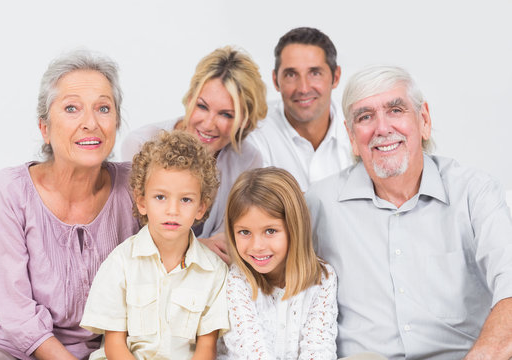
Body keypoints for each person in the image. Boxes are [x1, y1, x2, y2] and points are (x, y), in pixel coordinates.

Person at [306, 65, 512, 359]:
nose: (382, 128)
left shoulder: (474, 193)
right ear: (352, 137)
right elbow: (262, 252)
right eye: (365, 117)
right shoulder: (318, 203)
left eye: (395, 110)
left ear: (424, 120)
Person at [0, 50, 140, 359]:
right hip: (3, 345)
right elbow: (16, 316)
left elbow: (178, 221)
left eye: (103, 108)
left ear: (117, 123)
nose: (91, 123)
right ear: (44, 129)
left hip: (96, 351)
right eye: (72, 108)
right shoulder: (8, 192)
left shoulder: (135, 186)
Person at [80, 130, 229, 359]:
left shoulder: (214, 272)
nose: (173, 210)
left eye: (186, 200)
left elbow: (206, 349)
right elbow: (114, 345)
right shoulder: (121, 263)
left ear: (201, 207)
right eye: (160, 197)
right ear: (142, 202)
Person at [121, 46, 267, 263]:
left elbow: (236, 238)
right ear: (189, 99)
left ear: (244, 121)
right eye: (202, 106)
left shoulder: (248, 159)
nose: (208, 124)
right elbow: (130, 236)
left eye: (226, 114)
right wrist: (197, 247)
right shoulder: (141, 144)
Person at [217, 166, 337, 359]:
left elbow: (318, 348)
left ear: (294, 227)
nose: (257, 246)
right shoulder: (237, 280)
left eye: (270, 231)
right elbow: (251, 351)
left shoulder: (322, 277)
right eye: (244, 232)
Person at [247, 27, 352, 192]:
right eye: (291, 75)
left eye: (315, 73)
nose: (303, 88)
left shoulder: (359, 130)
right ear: (275, 81)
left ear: (336, 77)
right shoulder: (255, 135)